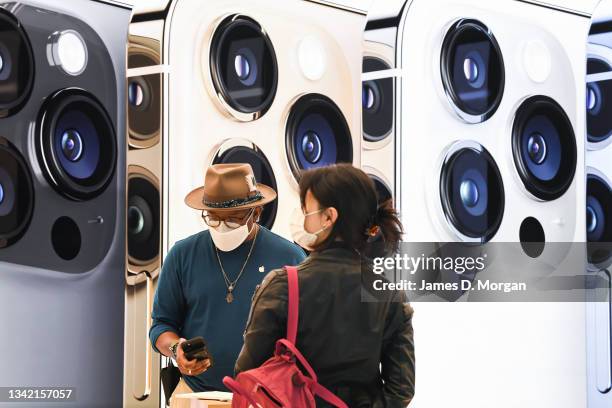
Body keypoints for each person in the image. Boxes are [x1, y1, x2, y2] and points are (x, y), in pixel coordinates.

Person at [235, 163, 415, 407]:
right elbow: (401, 389)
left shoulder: (282, 286)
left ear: (329, 217)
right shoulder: (390, 295)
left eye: (306, 210)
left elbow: (247, 371)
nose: (301, 217)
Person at [149, 163, 306, 407]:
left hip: (264, 397)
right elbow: (161, 325)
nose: (222, 227)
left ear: (256, 212)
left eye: (233, 219)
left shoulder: (289, 257)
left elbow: (305, 336)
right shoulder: (182, 254)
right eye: (212, 218)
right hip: (194, 394)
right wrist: (176, 349)